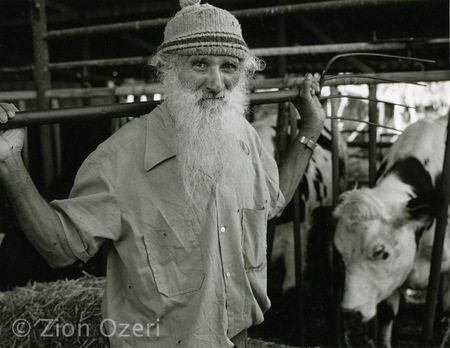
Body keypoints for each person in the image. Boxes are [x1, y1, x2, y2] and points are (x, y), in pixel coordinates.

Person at [0, 0, 325, 347]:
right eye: (200, 63)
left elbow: (273, 200)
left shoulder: (243, 137)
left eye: (229, 65)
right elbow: (61, 249)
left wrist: (311, 127)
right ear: (169, 69)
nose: (217, 83)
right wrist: (8, 161)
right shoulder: (119, 158)